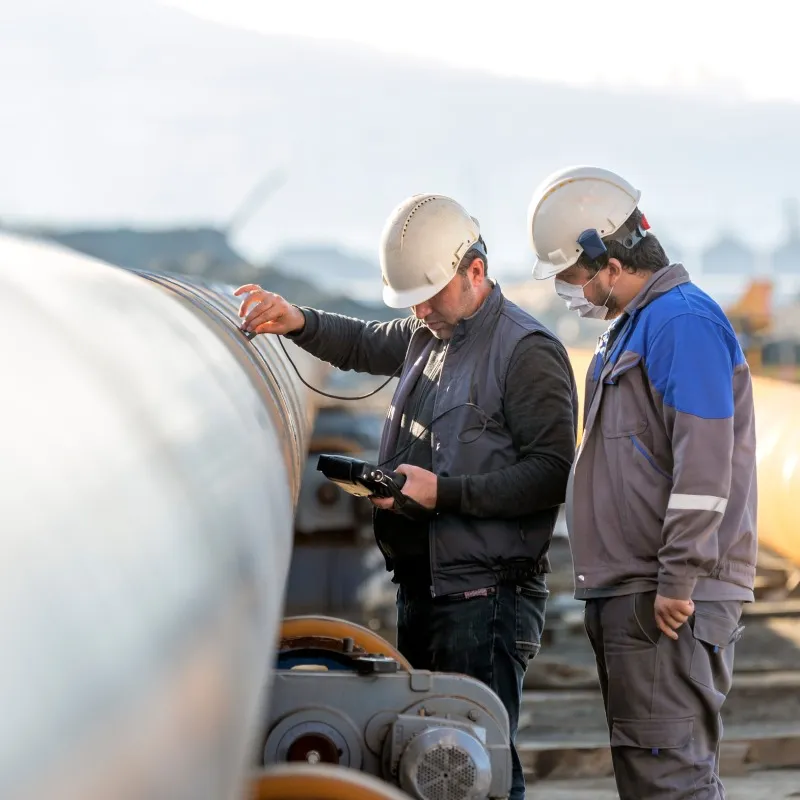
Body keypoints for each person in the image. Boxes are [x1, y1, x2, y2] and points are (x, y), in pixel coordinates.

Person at [236, 193, 578, 800]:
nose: (419, 309)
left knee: (477, 769)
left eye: (429, 294)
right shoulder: (432, 331)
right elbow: (366, 342)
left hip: (485, 600)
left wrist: (444, 493)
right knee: (432, 763)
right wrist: (298, 320)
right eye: (412, 300)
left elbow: (551, 475)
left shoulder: (527, 353)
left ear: (475, 271)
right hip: (427, 589)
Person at [527, 166, 758, 799]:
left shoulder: (681, 323)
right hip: (637, 592)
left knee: (669, 780)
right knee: (653, 773)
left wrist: (679, 577)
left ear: (605, 255)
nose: (570, 291)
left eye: (572, 275)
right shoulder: (635, 326)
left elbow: (706, 465)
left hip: (668, 598)